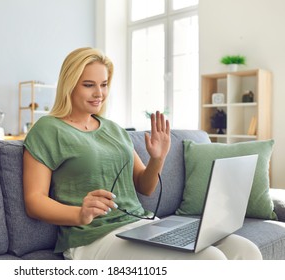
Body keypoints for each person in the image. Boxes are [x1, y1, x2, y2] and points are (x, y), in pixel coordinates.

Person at [22, 47, 262, 260]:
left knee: (246, 251)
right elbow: (34, 201)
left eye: (104, 84)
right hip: (94, 239)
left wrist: (158, 158)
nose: (99, 93)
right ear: (69, 84)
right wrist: (79, 214)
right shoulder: (48, 129)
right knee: (211, 260)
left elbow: (144, 186)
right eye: (89, 85)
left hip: (141, 226)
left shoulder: (114, 129)